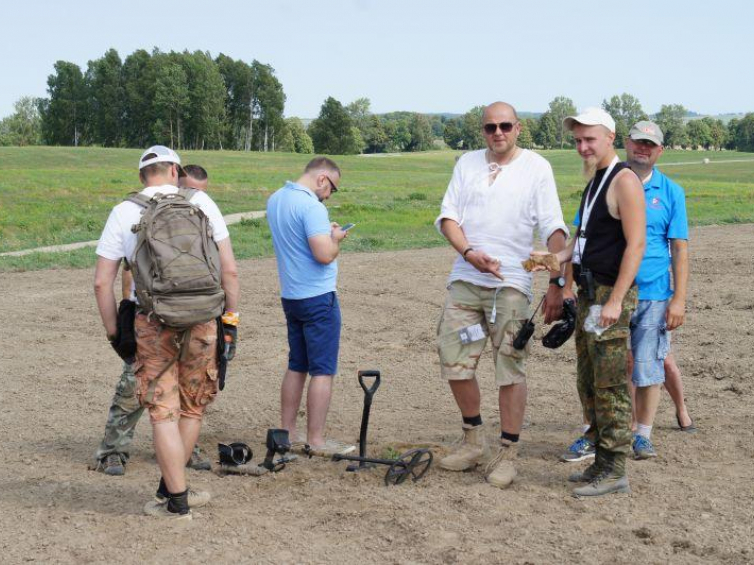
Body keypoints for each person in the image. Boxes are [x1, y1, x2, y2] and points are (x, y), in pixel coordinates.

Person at [94, 146, 239, 519]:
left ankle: (175, 499)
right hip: (204, 318)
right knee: (192, 408)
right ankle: (173, 492)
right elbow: (230, 271)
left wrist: (115, 334)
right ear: (175, 170)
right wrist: (231, 321)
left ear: (142, 176)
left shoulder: (124, 211)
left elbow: (101, 283)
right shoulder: (202, 202)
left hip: (153, 322)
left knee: (163, 412)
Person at [435, 101, 568, 489]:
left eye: (505, 126)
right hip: (466, 282)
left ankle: (508, 452)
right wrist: (469, 254)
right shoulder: (467, 163)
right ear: (483, 131)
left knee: (509, 363)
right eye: (490, 127)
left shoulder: (536, 168)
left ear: (518, 128)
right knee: (455, 356)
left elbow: (553, 228)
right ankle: (473, 440)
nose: (498, 133)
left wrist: (558, 275)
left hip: (510, 287)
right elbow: (448, 219)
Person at [560, 122, 695, 464]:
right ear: (626, 143)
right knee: (605, 367)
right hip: (605, 287)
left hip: (651, 291)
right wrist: (563, 280)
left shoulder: (671, 192)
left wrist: (678, 298)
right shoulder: (602, 182)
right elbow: (581, 235)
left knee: (649, 364)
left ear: (659, 151)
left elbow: (678, 248)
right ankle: (601, 431)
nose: (643, 149)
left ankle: (643, 434)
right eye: (638, 142)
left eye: (651, 145)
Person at [541, 108, 646, 496]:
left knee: (610, 385)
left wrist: (616, 299)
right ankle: (600, 462)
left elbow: (637, 245)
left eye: (590, 139)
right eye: (578, 141)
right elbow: (582, 239)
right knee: (589, 381)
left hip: (608, 295)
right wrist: (557, 258)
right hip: (588, 293)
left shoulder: (624, 181)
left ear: (610, 138)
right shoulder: (596, 181)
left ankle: (615, 469)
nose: (582, 147)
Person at [92, 165, 215, 476]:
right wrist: (124, 316)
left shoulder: (194, 215)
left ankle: (185, 451)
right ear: (175, 176)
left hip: (190, 311)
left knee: (188, 391)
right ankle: (113, 450)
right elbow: (128, 272)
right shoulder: (149, 215)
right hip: (149, 314)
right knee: (133, 386)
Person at [266, 157, 354, 457]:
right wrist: (337, 239)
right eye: (332, 188)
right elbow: (323, 255)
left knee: (297, 365)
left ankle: (287, 433)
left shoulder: (276, 199)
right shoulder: (312, 206)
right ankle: (316, 440)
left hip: (291, 295)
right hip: (318, 296)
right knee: (323, 370)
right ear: (322, 179)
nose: (329, 195)